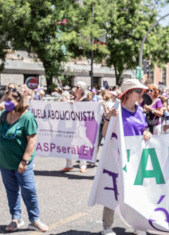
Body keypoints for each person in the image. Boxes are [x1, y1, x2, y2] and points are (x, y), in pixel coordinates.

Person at [100, 79, 152, 235]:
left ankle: (137, 225)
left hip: (136, 158)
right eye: (138, 91)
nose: (142, 94)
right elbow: (105, 135)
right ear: (128, 93)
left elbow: (143, 129)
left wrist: (147, 133)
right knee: (113, 191)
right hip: (118, 157)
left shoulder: (140, 111)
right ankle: (106, 227)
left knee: (137, 191)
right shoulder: (116, 111)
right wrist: (108, 118)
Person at [0, 89, 49, 232]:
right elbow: (0, 137)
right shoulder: (4, 115)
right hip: (5, 162)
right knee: (11, 191)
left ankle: (34, 220)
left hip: (21, 163)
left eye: (9, 100)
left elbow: (32, 140)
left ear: (19, 101)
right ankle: (16, 218)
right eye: (5, 100)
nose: (5, 103)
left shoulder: (27, 117)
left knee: (29, 190)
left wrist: (24, 161)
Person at [60, 81, 89, 173]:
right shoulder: (73, 99)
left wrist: (75, 105)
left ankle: (83, 165)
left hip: (81, 126)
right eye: (76, 87)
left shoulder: (86, 101)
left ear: (83, 89)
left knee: (81, 145)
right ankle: (69, 164)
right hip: (70, 125)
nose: (76, 88)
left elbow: (87, 113)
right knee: (67, 144)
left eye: (78, 87)